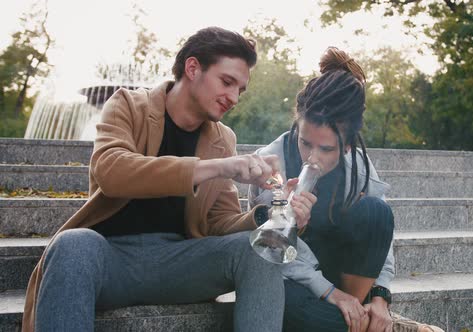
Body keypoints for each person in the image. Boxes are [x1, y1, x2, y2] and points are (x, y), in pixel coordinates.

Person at [22, 26, 285, 332]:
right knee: (72, 245)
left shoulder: (222, 138)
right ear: (193, 68)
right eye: (227, 82)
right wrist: (215, 167)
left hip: (180, 263)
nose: (234, 98)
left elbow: (217, 222)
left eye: (240, 89)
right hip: (111, 259)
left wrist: (267, 216)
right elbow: (112, 171)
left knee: (259, 249)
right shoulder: (128, 105)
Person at [249, 47, 444, 332]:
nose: (312, 157)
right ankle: (380, 328)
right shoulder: (272, 165)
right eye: (305, 142)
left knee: (376, 211)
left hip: (343, 277)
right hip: (291, 280)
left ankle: (364, 316)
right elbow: (271, 259)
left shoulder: (359, 166)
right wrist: (289, 220)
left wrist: (381, 296)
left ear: (348, 146)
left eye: (326, 148)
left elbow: (382, 236)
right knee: (287, 308)